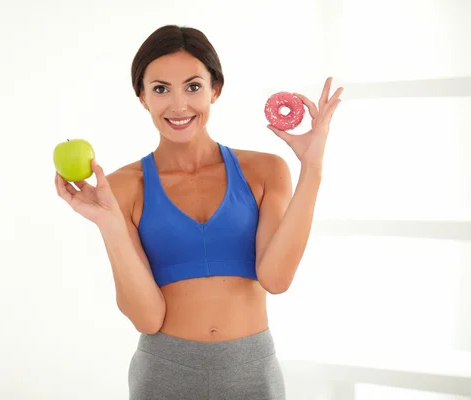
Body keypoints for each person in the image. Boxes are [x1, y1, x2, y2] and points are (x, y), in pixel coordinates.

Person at [55, 24, 343, 400]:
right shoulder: (123, 186)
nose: (179, 106)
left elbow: (276, 278)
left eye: (193, 86)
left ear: (215, 90)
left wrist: (312, 168)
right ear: (142, 97)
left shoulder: (266, 171)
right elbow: (146, 317)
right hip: (165, 369)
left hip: (251, 368)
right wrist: (108, 224)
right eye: (160, 89)